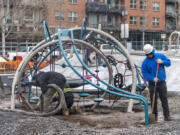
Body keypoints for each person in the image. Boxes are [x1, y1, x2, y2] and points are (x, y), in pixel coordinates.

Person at [141, 44, 172, 121]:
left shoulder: (160, 56)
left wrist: (162, 61)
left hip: (161, 82)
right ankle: (154, 116)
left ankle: (167, 116)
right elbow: (144, 73)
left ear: (153, 51)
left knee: (164, 99)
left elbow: (169, 63)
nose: (149, 55)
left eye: (150, 54)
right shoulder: (145, 62)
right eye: (148, 54)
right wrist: (152, 78)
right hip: (152, 84)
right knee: (153, 99)